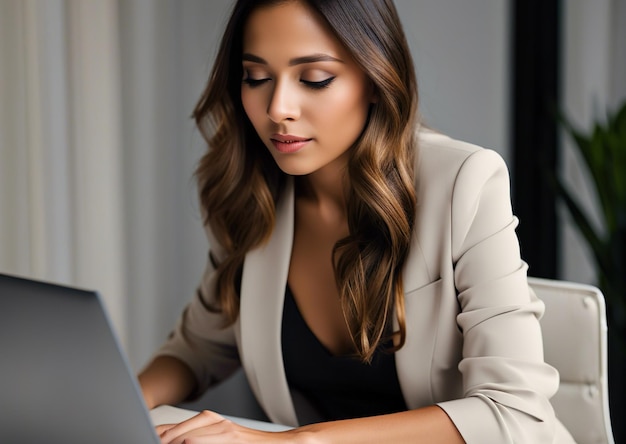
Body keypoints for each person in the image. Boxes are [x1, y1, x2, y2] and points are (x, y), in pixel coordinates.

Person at [138, 1, 576, 442]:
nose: (278, 108)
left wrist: (296, 441)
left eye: (314, 79)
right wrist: (123, 404)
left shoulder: (465, 182)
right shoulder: (250, 194)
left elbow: (514, 412)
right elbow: (200, 346)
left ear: (375, 77)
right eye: (257, 77)